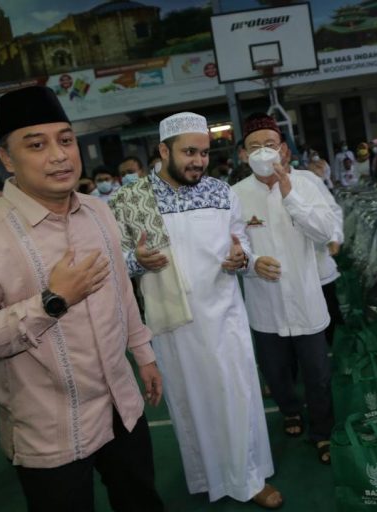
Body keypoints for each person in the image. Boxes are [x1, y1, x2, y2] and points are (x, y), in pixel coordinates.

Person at [0, 85, 164, 512]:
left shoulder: (98, 212)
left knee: (141, 501)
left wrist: (143, 353)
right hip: (50, 428)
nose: (59, 155)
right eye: (36, 145)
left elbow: (122, 294)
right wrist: (52, 301)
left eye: (65, 139)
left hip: (121, 403)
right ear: (6, 157)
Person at [109, 112, 280, 508]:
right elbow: (113, 259)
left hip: (224, 319)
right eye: (189, 152)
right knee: (190, 406)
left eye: (203, 152)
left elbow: (241, 246)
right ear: (163, 151)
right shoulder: (130, 200)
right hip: (173, 327)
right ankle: (209, 476)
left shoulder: (222, 193)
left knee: (235, 398)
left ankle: (247, 478)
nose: (199, 161)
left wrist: (245, 261)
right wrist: (137, 262)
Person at [232, 113, 336, 465]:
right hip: (265, 302)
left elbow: (326, 233)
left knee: (318, 373)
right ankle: (290, 410)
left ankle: (322, 431)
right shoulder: (235, 195)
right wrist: (252, 262)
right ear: (243, 155)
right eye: (254, 147)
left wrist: (291, 197)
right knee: (275, 372)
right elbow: (233, 246)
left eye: (269, 145)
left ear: (284, 151)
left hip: (306, 298)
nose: (262, 152)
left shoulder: (306, 182)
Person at [279, 143, 344, 346]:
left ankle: (331, 353)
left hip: (318, 262)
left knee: (328, 311)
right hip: (285, 269)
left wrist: (334, 236)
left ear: (287, 153)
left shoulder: (308, 180)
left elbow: (331, 211)